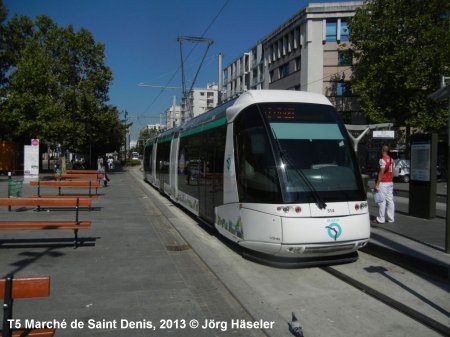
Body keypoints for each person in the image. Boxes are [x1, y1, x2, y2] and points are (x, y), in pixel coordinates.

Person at [373, 145, 395, 224]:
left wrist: (377, 183)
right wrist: (391, 180)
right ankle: (391, 218)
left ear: (382, 150)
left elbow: (381, 172)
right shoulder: (392, 160)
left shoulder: (382, 160)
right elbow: (393, 172)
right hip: (390, 182)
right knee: (390, 201)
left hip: (383, 183)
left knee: (382, 201)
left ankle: (381, 219)